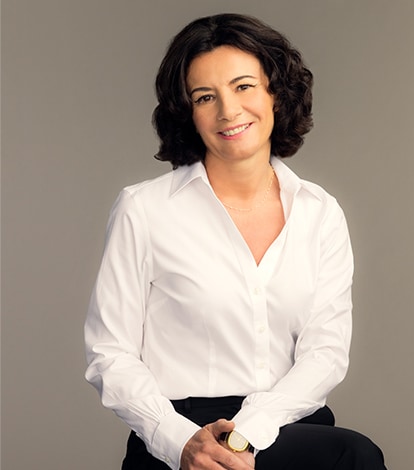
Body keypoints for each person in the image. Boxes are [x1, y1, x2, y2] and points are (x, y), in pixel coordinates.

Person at [84, 13, 387, 470]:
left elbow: (324, 353)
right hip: (179, 433)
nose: (228, 111)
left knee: (354, 456)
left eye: (243, 86)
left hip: (287, 426)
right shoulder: (143, 210)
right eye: (205, 97)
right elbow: (110, 353)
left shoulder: (320, 212)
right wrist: (180, 441)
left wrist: (246, 434)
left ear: (276, 93)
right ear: (188, 113)